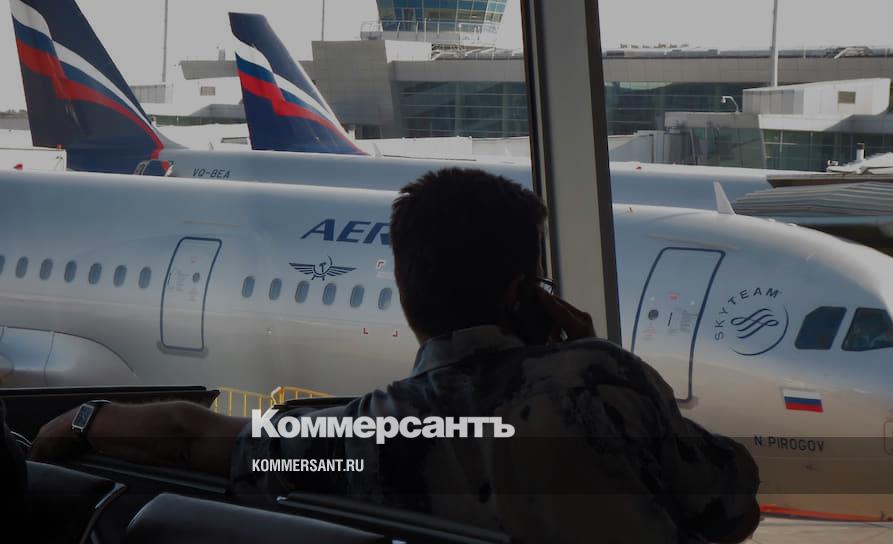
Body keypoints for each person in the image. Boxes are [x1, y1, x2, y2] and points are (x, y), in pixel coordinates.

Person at [30, 168, 759, 542]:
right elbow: (733, 505)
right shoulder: (605, 384)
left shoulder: (372, 436)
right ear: (525, 293)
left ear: (407, 293)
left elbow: (191, 435)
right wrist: (591, 356)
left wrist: (79, 422)